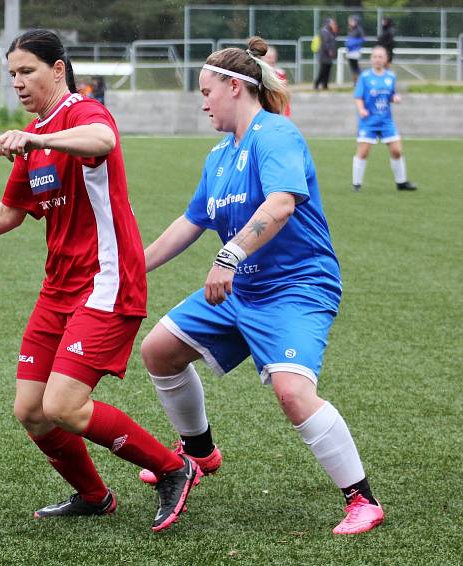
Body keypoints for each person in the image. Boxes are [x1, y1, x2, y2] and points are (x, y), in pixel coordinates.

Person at [0, 29, 199, 532]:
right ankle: (94, 496)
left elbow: (104, 140)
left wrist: (39, 137)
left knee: (63, 405)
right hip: (59, 289)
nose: (19, 84)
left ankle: (174, 468)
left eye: (28, 71)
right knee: (31, 410)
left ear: (58, 69)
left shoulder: (80, 113)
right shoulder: (36, 138)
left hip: (107, 283)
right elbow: (9, 211)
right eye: (13, 75)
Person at [136, 36, 385, 536]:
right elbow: (190, 223)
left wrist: (229, 255)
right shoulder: (218, 155)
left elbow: (281, 205)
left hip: (296, 285)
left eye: (207, 90)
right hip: (242, 290)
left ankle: (362, 500)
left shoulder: (275, 136)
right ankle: (201, 453)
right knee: (159, 351)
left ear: (234, 86)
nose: (202, 101)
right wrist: (133, 270)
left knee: (293, 392)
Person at [352, 45, 417, 192]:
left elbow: (390, 95)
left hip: (386, 121)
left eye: (380, 56)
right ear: (371, 59)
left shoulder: (390, 76)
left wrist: (395, 98)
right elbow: (358, 97)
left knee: (397, 151)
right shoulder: (365, 77)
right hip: (369, 122)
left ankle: (401, 182)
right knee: (363, 152)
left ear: (386, 59)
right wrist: (361, 109)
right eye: (375, 56)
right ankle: (357, 184)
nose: (377, 59)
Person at [260, 46, 290, 117]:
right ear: (262, 58)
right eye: (269, 57)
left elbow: (284, 96)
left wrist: (285, 114)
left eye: (273, 57)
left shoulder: (280, 74)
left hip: (276, 111)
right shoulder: (256, 73)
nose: (272, 60)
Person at [313, 18, 338, 90]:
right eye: (332, 23)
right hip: (324, 55)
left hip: (329, 55)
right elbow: (325, 42)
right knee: (323, 71)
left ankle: (325, 85)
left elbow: (333, 40)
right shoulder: (324, 31)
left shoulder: (331, 31)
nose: (334, 24)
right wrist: (329, 50)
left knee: (328, 70)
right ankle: (316, 84)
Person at [346, 15, 365, 84]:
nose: (350, 22)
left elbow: (362, 39)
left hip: (355, 51)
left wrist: (353, 43)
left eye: (352, 21)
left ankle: (361, 81)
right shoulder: (351, 29)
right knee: (352, 68)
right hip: (350, 51)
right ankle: (355, 82)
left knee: (356, 67)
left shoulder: (359, 29)